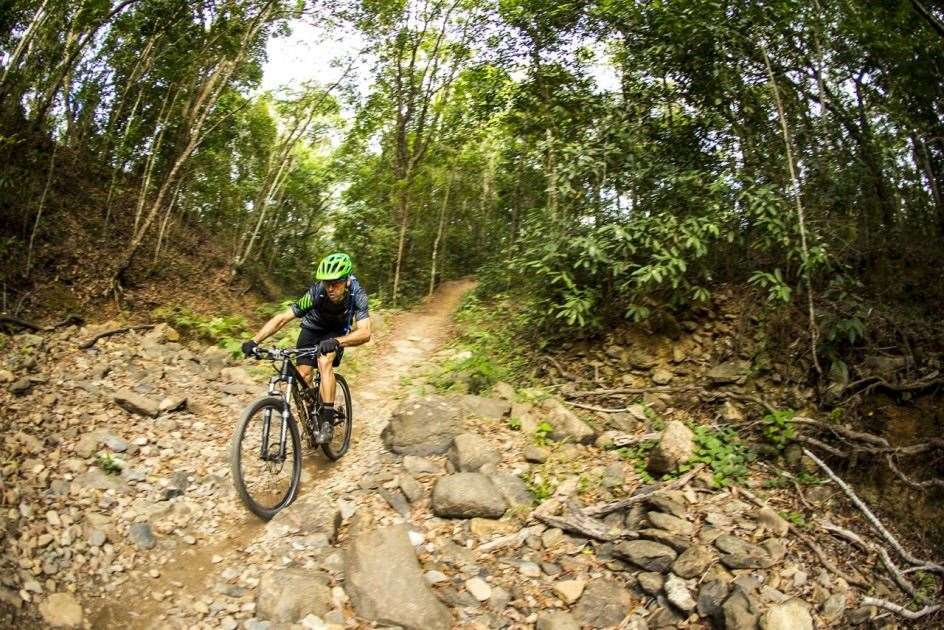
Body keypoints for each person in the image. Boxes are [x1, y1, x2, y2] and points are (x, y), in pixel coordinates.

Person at [241, 253, 371, 437]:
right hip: (313, 328)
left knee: (324, 361)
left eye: (336, 283)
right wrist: (254, 341)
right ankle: (313, 417)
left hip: (336, 332)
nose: (330, 288)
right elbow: (283, 318)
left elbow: (365, 332)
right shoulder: (316, 292)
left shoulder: (357, 294)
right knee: (303, 375)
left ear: (347, 280)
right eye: (327, 283)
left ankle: (326, 420)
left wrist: (337, 341)